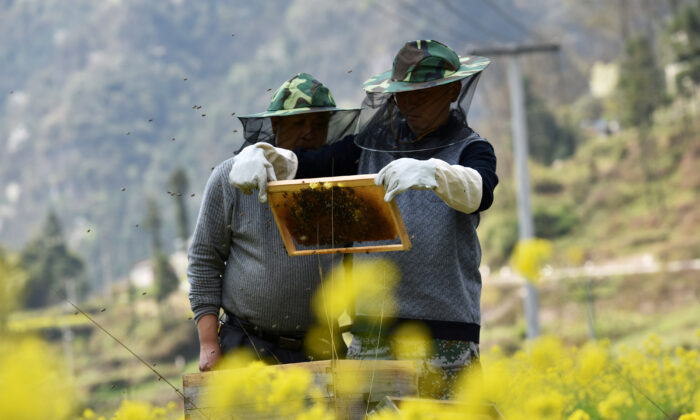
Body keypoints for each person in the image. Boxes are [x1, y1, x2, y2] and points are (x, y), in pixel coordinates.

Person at [230, 40, 498, 398]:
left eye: (422, 94)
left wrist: (436, 173)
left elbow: (480, 191)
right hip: (372, 334)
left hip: (445, 331)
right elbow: (307, 165)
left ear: (452, 90)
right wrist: (262, 155)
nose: (409, 104)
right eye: (403, 95)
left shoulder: (472, 149)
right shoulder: (366, 148)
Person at [187, 73, 358, 370]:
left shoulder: (341, 184)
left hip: (322, 344)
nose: (309, 132)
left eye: (319, 124)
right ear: (276, 125)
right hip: (248, 345)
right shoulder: (232, 178)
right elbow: (204, 259)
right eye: (298, 122)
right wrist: (209, 346)